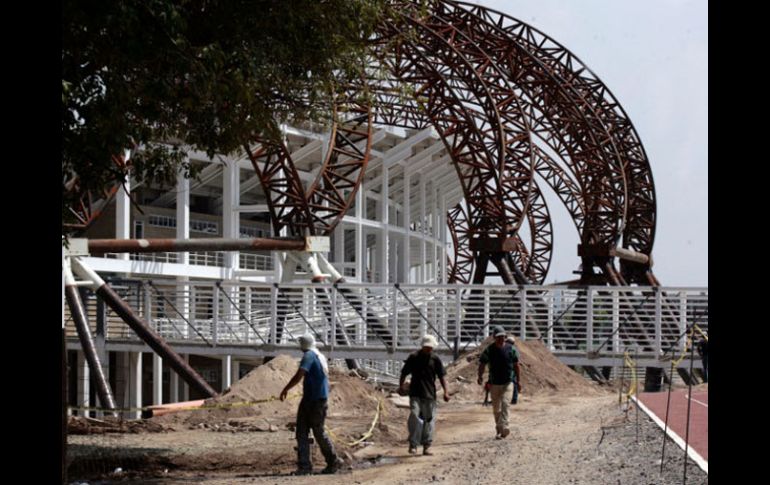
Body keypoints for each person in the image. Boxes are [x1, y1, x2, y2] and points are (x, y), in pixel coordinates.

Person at [280, 334, 343, 475]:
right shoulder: (319, 355)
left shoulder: (309, 355)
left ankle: (316, 464)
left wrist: (286, 388)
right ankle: (327, 463)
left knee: (312, 432)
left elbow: (300, 373)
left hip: (313, 400)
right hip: (315, 398)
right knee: (308, 431)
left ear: (302, 344)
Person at [399, 334, 450, 456]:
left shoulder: (435, 359)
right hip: (415, 393)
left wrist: (446, 392)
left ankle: (427, 445)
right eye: (427, 347)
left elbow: (442, 376)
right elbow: (404, 373)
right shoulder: (413, 357)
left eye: (430, 347)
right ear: (423, 346)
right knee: (414, 416)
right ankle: (413, 444)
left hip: (429, 394)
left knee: (429, 420)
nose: (429, 349)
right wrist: (401, 387)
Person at [477, 326, 522, 439]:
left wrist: (519, 381)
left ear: (505, 337)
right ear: (494, 338)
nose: (501, 339)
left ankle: (505, 426)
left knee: (506, 404)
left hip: (508, 382)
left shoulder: (511, 349)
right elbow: (482, 364)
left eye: (502, 337)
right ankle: (499, 429)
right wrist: (480, 376)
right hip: (494, 383)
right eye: (498, 337)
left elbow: (516, 366)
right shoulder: (489, 350)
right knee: (496, 408)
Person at [506, 336, 520, 405]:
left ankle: (514, 398)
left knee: (513, 383)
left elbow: (516, 362)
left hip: (509, 369)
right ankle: (514, 399)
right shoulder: (514, 349)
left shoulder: (512, 349)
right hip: (511, 369)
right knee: (514, 383)